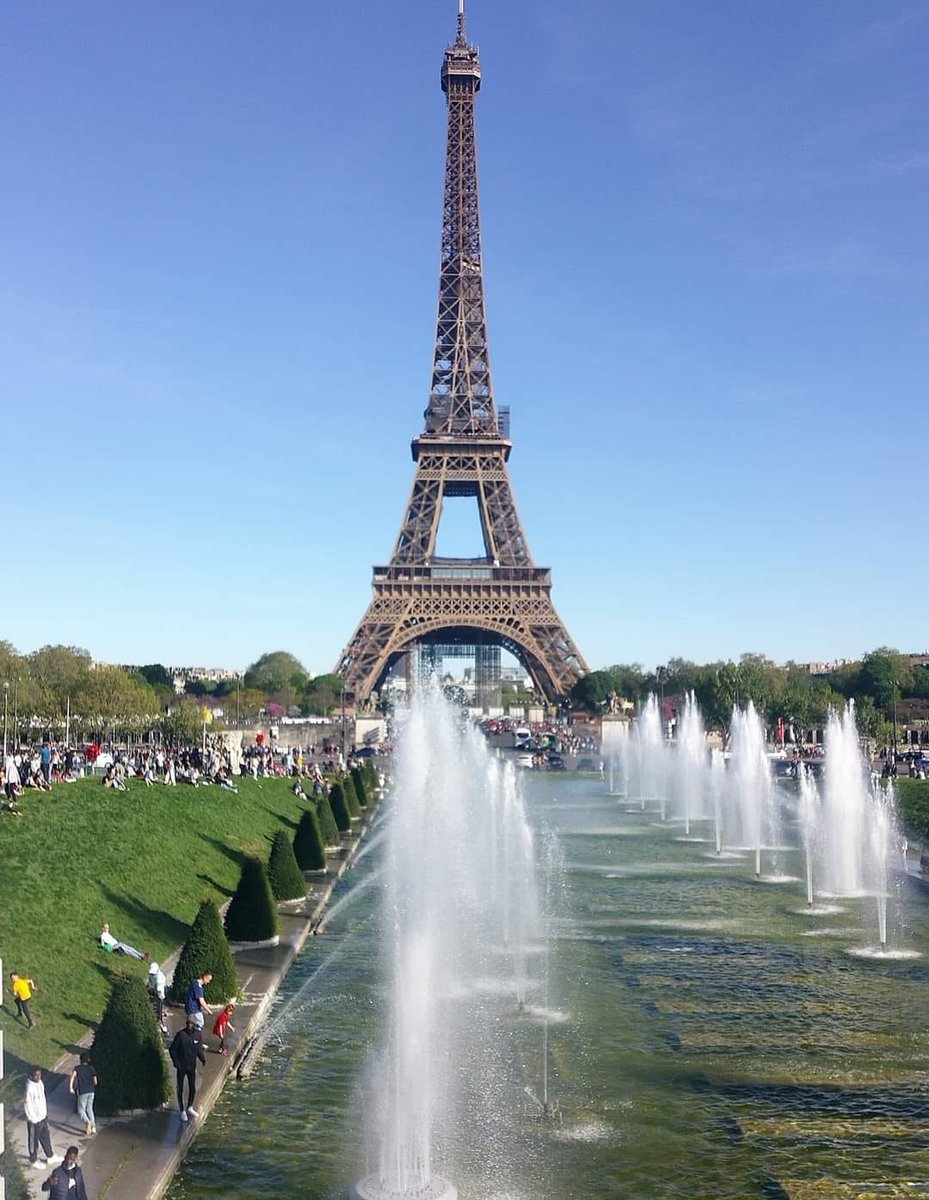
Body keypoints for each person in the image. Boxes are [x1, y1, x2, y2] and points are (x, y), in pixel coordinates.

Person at [169, 1016, 206, 1122]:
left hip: (192, 1066)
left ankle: (189, 1107)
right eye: (188, 1023)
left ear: (194, 1025)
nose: (189, 1025)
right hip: (181, 1066)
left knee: (192, 1087)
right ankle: (182, 1110)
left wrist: (202, 1059)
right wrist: (176, 1062)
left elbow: (198, 1049)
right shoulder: (181, 1035)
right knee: (180, 1088)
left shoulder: (197, 1035)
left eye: (191, 1023)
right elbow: (172, 1049)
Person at [24, 1067, 63, 1169]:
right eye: (36, 1075)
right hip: (34, 1120)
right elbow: (27, 1104)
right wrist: (32, 1118)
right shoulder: (29, 1088)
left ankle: (50, 1156)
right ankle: (33, 1160)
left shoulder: (40, 1083)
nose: (38, 1077)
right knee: (33, 1141)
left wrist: (44, 1114)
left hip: (42, 1116)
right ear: (31, 1076)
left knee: (45, 1136)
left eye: (39, 1075)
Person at [69, 1053, 97, 1136]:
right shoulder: (91, 1068)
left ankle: (87, 1122)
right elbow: (95, 1082)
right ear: (88, 1060)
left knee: (81, 1110)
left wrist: (71, 1087)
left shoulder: (77, 1068)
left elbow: (72, 1077)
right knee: (89, 1108)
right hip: (91, 1091)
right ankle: (93, 1127)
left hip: (82, 1091)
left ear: (80, 1060)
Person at [148, 961, 168, 1033]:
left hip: (159, 997)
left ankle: (162, 1026)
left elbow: (158, 991)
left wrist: (152, 991)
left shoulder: (160, 978)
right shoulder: (151, 974)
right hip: (153, 993)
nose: (152, 974)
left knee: (158, 1013)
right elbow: (150, 984)